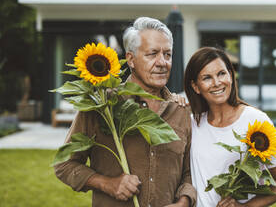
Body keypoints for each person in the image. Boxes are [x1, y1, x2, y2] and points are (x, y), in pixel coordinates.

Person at [54, 17, 196, 207]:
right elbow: (64, 165)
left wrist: (184, 202)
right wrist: (107, 184)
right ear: (131, 59)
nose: (162, 62)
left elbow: (189, 172)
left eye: (167, 54)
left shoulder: (181, 111)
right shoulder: (102, 105)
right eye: (152, 54)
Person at [184, 47, 276, 207]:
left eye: (221, 73)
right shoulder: (192, 123)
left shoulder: (255, 120)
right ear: (196, 87)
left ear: (231, 75)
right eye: (207, 78)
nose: (217, 83)